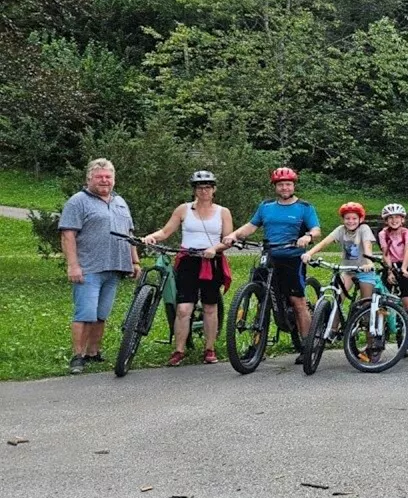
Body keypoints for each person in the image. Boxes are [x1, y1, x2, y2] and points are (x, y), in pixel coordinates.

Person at [223, 167, 321, 364]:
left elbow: (316, 229)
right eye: (281, 185)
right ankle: (256, 346)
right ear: (275, 187)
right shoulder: (266, 206)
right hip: (268, 256)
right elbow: (251, 226)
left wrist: (307, 237)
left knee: (297, 301)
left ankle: (306, 345)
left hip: (292, 257)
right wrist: (234, 235)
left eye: (288, 184)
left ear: (293, 186)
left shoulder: (304, 207)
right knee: (261, 300)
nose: (284, 187)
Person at [142, 170, 235, 366]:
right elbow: (166, 231)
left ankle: (209, 349)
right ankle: (179, 350)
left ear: (214, 190)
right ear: (194, 190)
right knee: (184, 308)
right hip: (188, 260)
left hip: (211, 261)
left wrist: (214, 248)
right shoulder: (183, 210)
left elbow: (228, 239)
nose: (204, 191)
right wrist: (152, 236)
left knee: (210, 306)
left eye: (208, 187)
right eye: (200, 188)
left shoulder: (223, 212)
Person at [59, 158, 141, 374]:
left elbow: (129, 234)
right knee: (85, 313)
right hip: (89, 268)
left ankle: (93, 352)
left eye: (108, 177)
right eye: (99, 177)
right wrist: (73, 265)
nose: (104, 180)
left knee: (101, 314)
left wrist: (135, 260)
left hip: (114, 267)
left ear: (113, 179)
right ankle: (77, 356)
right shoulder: (78, 201)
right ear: (89, 179)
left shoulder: (120, 202)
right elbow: (68, 235)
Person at [377, 203, 408, 360]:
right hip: (390, 266)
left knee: (407, 303)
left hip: (404, 265)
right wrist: (389, 271)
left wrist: (404, 269)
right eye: (390, 218)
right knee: (381, 302)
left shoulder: (407, 233)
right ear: (386, 220)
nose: (394, 220)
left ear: (402, 219)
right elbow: (385, 253)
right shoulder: (383, 234)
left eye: (397, 217)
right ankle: (379, 337)